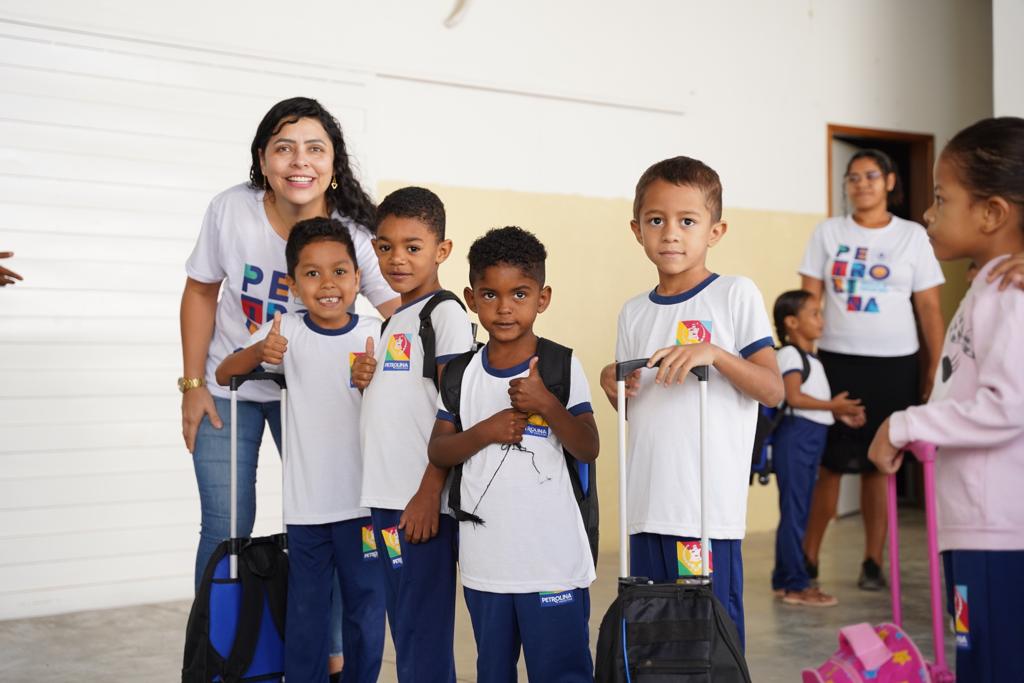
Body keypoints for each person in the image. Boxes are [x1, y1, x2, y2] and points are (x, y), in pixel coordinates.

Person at [180, 97, 398, 675]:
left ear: (333, 161)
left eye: (315, 148)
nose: (299, 161)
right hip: (235, 386)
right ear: (262, 158)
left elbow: (398, 311)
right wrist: (193, 383)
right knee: (225, 525)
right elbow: (201, 290)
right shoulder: (233, 211)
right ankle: (218, 655)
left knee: (331, 520)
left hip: (317, 393)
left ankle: (327, 660)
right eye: (284, 147)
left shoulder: (355, 231)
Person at [599, 156, 784, 647]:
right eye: (656, 220)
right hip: (644, 509)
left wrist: (717, 354)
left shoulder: (733, 295)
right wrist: (613, 385)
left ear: (715, 231)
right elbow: (639, 408)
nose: (670, 234)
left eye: (687, 221)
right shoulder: (634, 312)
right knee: (657, 643)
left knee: (708, 641)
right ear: (637, 229)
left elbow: (772, 389)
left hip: (702, 514)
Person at [868, 116, 1024, 683]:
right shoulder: (991, 282)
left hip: (999, 531)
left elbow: (1008, 405)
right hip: (974, 525)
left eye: (942, 197)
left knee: (994, 666)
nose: (929, 213)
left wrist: (905, 425)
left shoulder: (1011, 294)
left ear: (992, 213)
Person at [216, 218, 386, 683]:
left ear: (357, 277)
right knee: (307, 612)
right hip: (307, 509)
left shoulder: (378, 333)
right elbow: (224, 372)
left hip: (366, 505)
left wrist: (376, 382)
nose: (327, 284)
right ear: (292, 284)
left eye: (340, 271)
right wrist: (259, 353)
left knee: (365, 610)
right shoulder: (285, 329)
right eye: (312, 274)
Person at [427, 227, 600, 682]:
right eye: (490, 294)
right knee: (494, 672)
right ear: (470, 297)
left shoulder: (561, 365)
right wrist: (485, 431)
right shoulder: (463, 373)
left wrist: (546, 404)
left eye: (519, 294)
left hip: (553, 564)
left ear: (542, 298)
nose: (504, 308)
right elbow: (439, 449)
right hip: (488, 567)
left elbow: (587, 446)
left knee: (562, 672)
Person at [799, 149, 946, 591]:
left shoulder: (912, 237)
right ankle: (806, 558)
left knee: (879, 465)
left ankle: (872, 561)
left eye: (870, 175)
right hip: (836, 362)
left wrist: (934, 370)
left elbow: (930, 310)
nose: (860, 183)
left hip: (894, 364)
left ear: (889, 182)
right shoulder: (828, 233)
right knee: (829, 465)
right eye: (853, 177)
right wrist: (803, 365)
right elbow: (807, 304)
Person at [353, 187, 474, 682]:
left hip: (420, 503)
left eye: (412, 246)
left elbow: (457, 406)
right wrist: (367, 380)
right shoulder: (393, 320)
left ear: (442, 251)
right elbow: (402, 406)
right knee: (405, 626)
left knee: (421, 630)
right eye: (385, 247)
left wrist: (429, 492)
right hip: (386, 498)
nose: (396, 259)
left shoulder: (442, 314)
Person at [769, 290, 865, 607]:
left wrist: (837, 412)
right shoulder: (790, 356)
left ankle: (786, 580)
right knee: (796, 512)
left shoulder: (811, 358)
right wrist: (832, 405)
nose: (821, 319)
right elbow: (793, 398)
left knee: (799, 510)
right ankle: (796, 585)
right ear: (792, 322)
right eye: (814, 313)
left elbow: (811, 404)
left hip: (811, 436)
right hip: (796, 437)